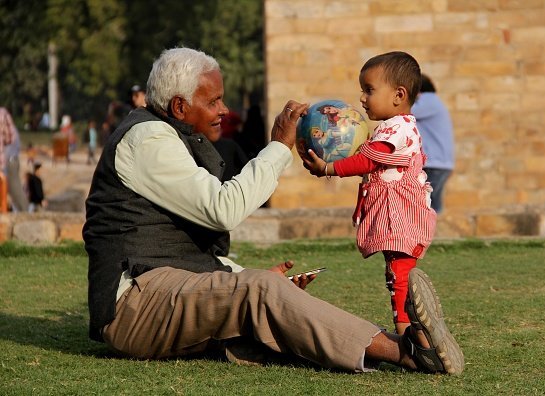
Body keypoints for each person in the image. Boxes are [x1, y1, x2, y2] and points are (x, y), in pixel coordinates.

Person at [82, 47, 463, 375]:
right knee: (260, 289)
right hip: (133, 307)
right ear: (180, 106)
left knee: (262, 287)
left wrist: (236, 274)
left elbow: (180, 244)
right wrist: (280, 147)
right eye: (213, 101)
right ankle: (406, 352)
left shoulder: (170, 135)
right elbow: (222, 209)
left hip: (162, 290)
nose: (224, 109)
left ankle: (386, 344)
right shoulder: (147, 139)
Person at [303, 52, 440, 340]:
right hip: (398, 211)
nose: (362, 99)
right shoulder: (394, 127)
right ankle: (414, 326)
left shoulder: (397, 129)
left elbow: (368, 161)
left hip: (398, 214)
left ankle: (413, 334)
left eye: (369, 90)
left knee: (399, 274)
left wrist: (329, 167)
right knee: (396, 271)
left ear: (398, 95)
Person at [411, 75, 455, 214]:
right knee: (432, 203)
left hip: (434, 163)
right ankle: (434, 233)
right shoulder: (433, 102)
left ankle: (431, 233)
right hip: (439, 163)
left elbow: (404, 112)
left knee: (427, 204)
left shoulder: (428, 100)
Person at [0, 107, 28, 212]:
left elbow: (9, 139)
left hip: (9, 161)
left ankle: (26, 216)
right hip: (5, 160)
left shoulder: (2, 114)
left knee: (15, 191)